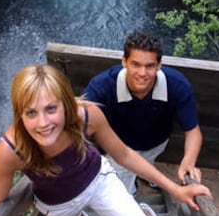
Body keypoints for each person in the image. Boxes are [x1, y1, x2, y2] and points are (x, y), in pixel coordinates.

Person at [0, 64, 212, 216]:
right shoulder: (10, 149)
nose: (43, 123)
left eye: (51, 109)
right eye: (31, 113)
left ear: (65, 104)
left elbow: (123, 154)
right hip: (56, 205)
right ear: (19, 114)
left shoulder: (86, 116)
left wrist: (174, 189)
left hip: (99, 183)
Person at [82, 31, 203, 195]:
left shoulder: (177, 85)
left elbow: (192, 130)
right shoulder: (102, 86)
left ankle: (146, 174)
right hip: (119, 147)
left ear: (159, 65)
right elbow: (79, 120)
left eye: (150, 66)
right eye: (136, 64)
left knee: (147, 161)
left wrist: (188, 161)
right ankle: (131, 193)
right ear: (124, 61)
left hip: (156, 143)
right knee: (124, 188)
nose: (142, 73)